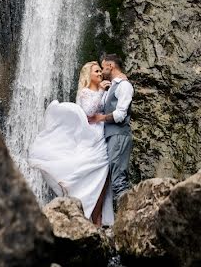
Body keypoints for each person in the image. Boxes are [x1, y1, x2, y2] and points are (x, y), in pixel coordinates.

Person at [28, 62, 114, 226]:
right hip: (91, 138)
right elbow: (88, 112)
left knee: (103, 179)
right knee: (92, 175)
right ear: (88, 75)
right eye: (96, 71)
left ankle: (97, 219)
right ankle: (91, 218)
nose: (100, 74)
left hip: (101, 137)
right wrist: (102, 90)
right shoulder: (84, 92)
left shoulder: (100, 92)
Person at [88, 53, 133, 206]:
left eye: (103, 67)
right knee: (115, 179)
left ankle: (129, 218)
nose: (101, 71)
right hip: (111, 136)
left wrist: (100, 118)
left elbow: (121, 114)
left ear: (110, 66)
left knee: (119, 180)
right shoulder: (112, 86)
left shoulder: (124, 86)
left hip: (119, 136)